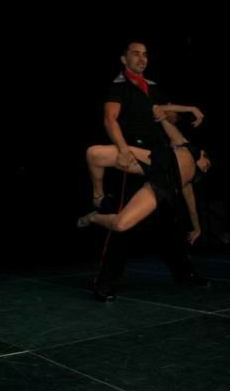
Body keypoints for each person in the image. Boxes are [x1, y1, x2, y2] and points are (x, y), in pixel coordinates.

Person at [87, 40, 210, 301]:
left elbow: (169, 115)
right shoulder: (118, 87)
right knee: (123, 223)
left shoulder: (153, 88)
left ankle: (185, 273)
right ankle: (104, 283)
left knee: (169, 223)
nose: (142, 59)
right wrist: (122, 149)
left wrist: (176, 115)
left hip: (160, 159)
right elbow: (110, 119)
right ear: (124, 59)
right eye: (136, 54)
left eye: (145, 54)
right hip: (132, 159)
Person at [79, 109, 212, 249]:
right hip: (153, 160)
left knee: (120, 225)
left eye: (207, 169)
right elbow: (160, 113)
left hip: (162, 185)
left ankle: (92, 217)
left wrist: (197, 228)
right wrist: (188, 109)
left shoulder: (188, 182)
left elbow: (192, 209)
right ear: (203, 153)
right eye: (208, 163)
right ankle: (98, 196)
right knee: (93, 154)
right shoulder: (185, 144)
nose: (207, 167)